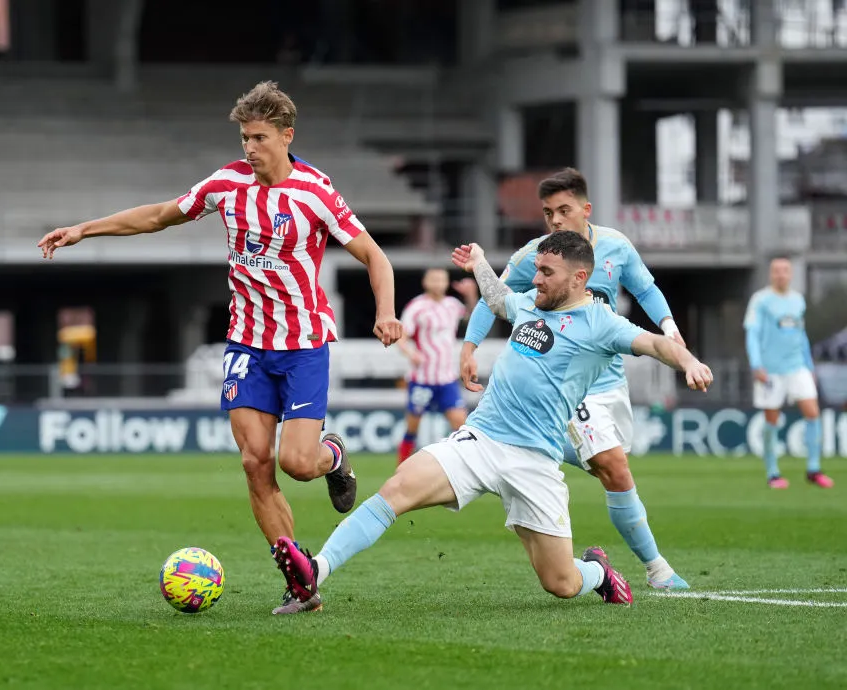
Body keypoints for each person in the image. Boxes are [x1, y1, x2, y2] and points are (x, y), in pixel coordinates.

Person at [37, 81, 403, 608]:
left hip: (302, 344)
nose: (249, 149)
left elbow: (375, 256)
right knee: (256, 461)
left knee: (298, 463)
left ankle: (334, 456)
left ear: (285, 135)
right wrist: (83, 230)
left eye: (258, 138)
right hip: (246, 344)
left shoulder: (316, 192)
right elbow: (160, 216)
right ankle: (299, 578)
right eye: (243, 139)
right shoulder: (227, 184)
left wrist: (385, 312)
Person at [272, 231, 713, 614]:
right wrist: (482, 263)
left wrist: (689, 360)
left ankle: (598, 573)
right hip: (481, 438)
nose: (536, 279)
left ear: (580, 278)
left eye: (547, 273)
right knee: (398, 487)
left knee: (560, 584)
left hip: (535, 462)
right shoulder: (530, 303)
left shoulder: (602, 324)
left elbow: (656, 344)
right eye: (537, 269)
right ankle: (315, 571)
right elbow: (499, 299)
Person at [460, 167, 690, 590]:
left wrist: (670, 327)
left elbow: (646, 290)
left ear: (586, 209)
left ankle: (524, 451)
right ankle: (659, 570)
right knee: (613, 466)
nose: (555, 221)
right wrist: (470, 346)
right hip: (568, 384)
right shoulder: (538, 255)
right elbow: (496, 297)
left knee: (613, 464)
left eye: (564, 210)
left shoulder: (616, 246)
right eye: (548, 212)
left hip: (609, 381)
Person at [744, 257, 833, 489]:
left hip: (796, 367)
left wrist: (809, 366)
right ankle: (773, 472)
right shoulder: (760, 300)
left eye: (785, 270)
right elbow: (752, 334)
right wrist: (756, 365)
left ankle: (813, 469)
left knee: (812, 412)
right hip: (770, 370)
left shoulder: (797, 300)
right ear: (770, 274)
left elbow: (800, 336)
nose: (781, 274)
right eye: (776, 271)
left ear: (791, 273)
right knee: (771, 419)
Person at [396, 269, 478, 464]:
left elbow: (473, 317)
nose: (438, 283)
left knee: (462, 425)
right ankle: (402, 468)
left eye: (441, 279)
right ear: (425, 282)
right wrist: (411, 353)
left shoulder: (452, 304)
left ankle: (465, 467)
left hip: (446, 378)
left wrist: (471, 295)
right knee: (412, 427)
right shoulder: (417, 307)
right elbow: (401, 337)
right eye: (434, 279)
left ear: (447, 282)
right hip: (422, 378)